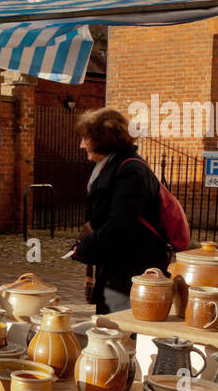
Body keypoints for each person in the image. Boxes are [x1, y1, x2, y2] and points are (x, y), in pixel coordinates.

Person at [68, 107, 170, 313]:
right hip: (117, 265)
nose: (81, 144)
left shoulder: (131, 170)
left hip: (132, 270)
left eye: (86, 138)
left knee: (118, 331)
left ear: (102, 139)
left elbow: (120, 225)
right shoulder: (111, 166)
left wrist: (86, 248)